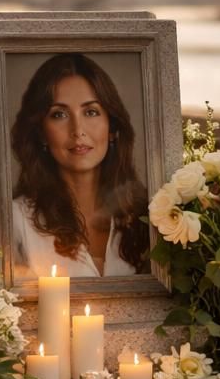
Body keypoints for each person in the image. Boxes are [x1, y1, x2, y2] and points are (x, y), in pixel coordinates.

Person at [8, 53, 149, 280]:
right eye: (59, 114)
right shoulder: (16, 221)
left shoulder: (148, 215)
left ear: (112, 128)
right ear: (42, 133)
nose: (78, 130)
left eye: (91, 112)